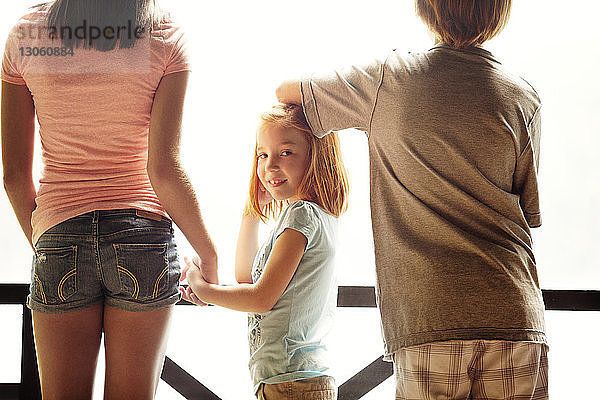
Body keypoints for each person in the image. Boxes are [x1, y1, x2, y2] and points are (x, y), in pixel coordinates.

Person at [275, 0, 549, 399]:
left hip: (429, 318)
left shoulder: (388, 79)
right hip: (516, 315)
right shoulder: (524, 97)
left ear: (425, 9)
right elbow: (527, 211)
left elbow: (288, 92)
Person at [1, 1, 217, 398]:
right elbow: (165, 170)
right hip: (142, 238)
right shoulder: (164, 35)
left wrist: (51, 245)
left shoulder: (27, 35)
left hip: (59, 234)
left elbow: (15, 177)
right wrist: (209, 255)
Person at [181, 103, 348, 400]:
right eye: (262, 154)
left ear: (316, 157)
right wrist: (252, 212)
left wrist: (202, 289)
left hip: (292, 382)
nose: (270, 166)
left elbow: (260, 298)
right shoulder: (310, 216)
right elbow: (247, 278)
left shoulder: (301, 216)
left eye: (285, 153)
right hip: (286, 379)